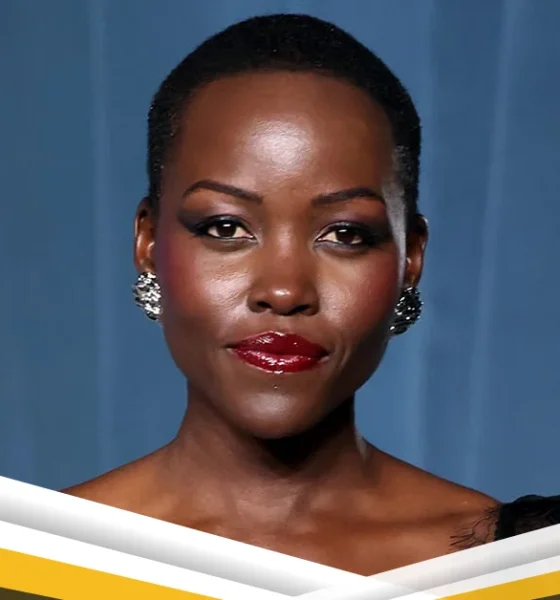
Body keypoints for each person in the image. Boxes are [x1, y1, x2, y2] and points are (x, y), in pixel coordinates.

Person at [64, 14, 559, 575]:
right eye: (226, 227)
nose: (284, 290)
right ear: (149, 242)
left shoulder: (530, 566)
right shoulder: (25, 558)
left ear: (411, 258)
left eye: (345, 234)